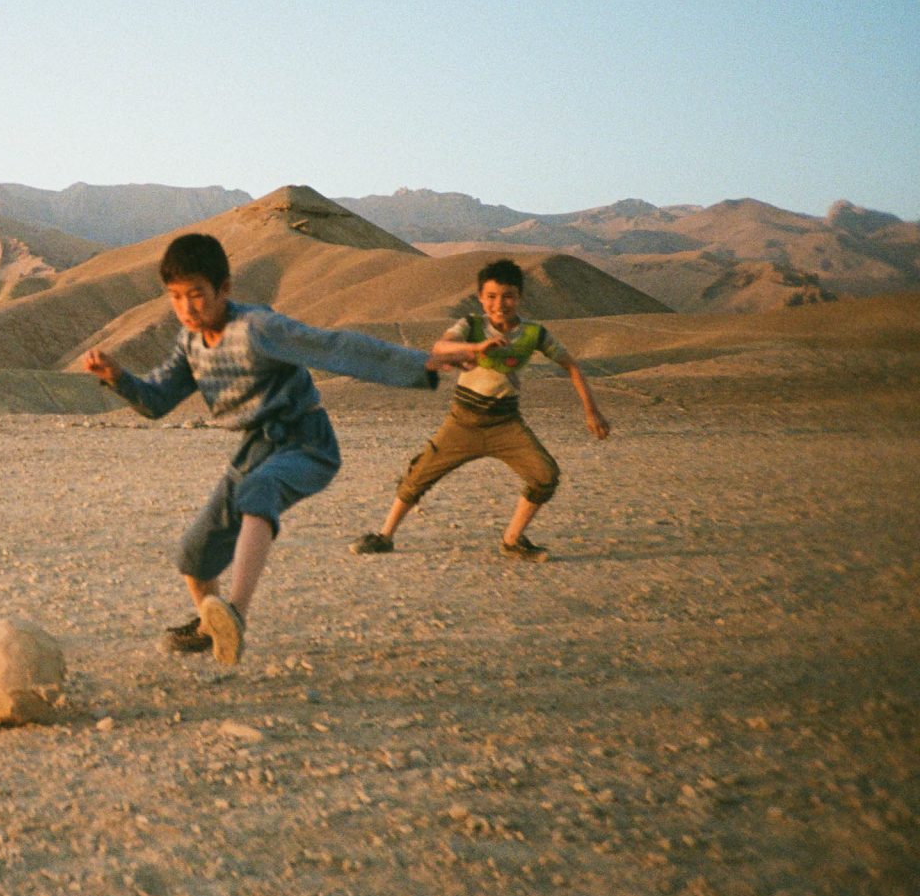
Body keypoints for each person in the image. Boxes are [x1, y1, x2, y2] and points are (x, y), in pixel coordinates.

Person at [82, 233, 491, 667]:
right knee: (194, 554)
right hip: (253, 450)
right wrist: (119, 377)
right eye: (176, 297)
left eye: (197, 294)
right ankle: (212, 627)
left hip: (306, 441)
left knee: (259, 491)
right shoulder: (191, 345)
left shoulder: (258, 328)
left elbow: (333, 346)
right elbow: (157, 401)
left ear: (224, 288)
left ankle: (235, 613)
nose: (187, 307)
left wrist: (419, 362)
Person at [350, 257, 610, 562]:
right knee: (417, 477)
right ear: (480, 298)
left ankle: (512, 540)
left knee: (545, 475)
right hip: (463, 423)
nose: (500, 304)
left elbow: (572, 366)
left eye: (508, 296)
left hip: (506, 424)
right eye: (491, 296)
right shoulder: (471, 326)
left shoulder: (534, 334)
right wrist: (475, 348)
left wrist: (592, 412)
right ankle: (384, 536)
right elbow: (440, 348)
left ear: (520, 297)